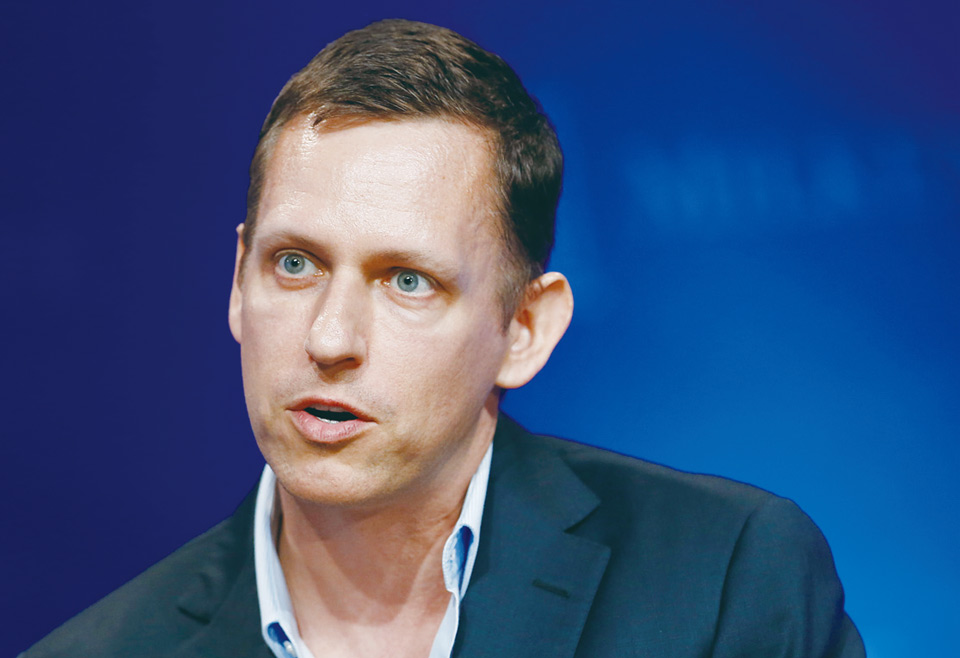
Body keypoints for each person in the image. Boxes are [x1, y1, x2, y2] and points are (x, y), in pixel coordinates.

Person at [22, 19, 865, 658]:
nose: (330, 337)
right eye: (295, 264)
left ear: (524, 328)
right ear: (239, 281)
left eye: (407, 281)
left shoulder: (723, 584)